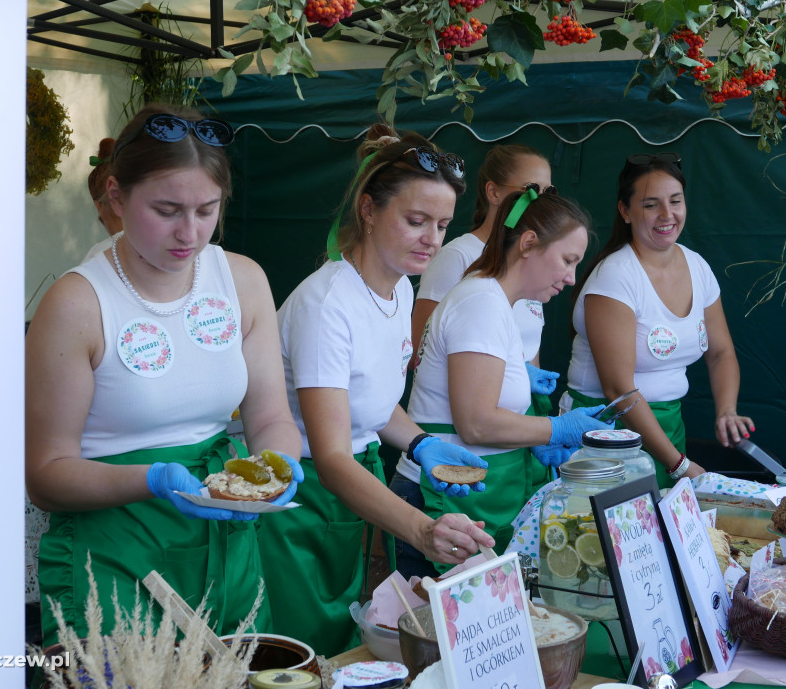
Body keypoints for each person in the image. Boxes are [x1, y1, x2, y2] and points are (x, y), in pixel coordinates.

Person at [26, 104, 304, 646]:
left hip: (223, 540)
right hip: (111, 551)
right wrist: (151, 478)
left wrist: (277, 463)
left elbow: (270, 414)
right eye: (167, 209)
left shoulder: (241, 281)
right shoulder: (78, 304)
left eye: (207, 210)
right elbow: (46, 476)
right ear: (115, 197)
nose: (190, 232)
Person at [258, 124, 494, 657]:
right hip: (301, 496)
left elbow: (370, 398)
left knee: (344, 643)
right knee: (302, 650)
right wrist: (422, 529)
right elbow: (331, 453)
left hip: (349, 488)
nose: (432, 239)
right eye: (415, 221)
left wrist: (419, 443)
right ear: (368, 210)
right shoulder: (326, 305)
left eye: (441, 224)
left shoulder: (400, 287)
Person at [401, 184, 613, 577]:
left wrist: (535, 440)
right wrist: (555, 428)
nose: (571, 278)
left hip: (473, 492)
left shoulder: (495, 301)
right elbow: (477, 422)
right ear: (529, 243)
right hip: (445, 494)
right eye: (568, 260)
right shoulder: (481, 301)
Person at [563, 152, 755, 487]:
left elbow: (721, 352)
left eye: (675, 201)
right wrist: (678, 464)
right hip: (606, 432)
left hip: (667, 428)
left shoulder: (698, 267)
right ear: (625, 211)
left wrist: (727, 410)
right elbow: (618, 390)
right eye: (651, 204)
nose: (667, 215)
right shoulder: (615, 277)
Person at [410, 144, 558, 410]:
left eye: (549, 193)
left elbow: (529, 348)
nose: (541, 202)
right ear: (493, 192)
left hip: (520, 412)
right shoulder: (458, 255)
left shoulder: (529, 262)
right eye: (532, 190)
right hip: (465, 417)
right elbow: (421, 352)